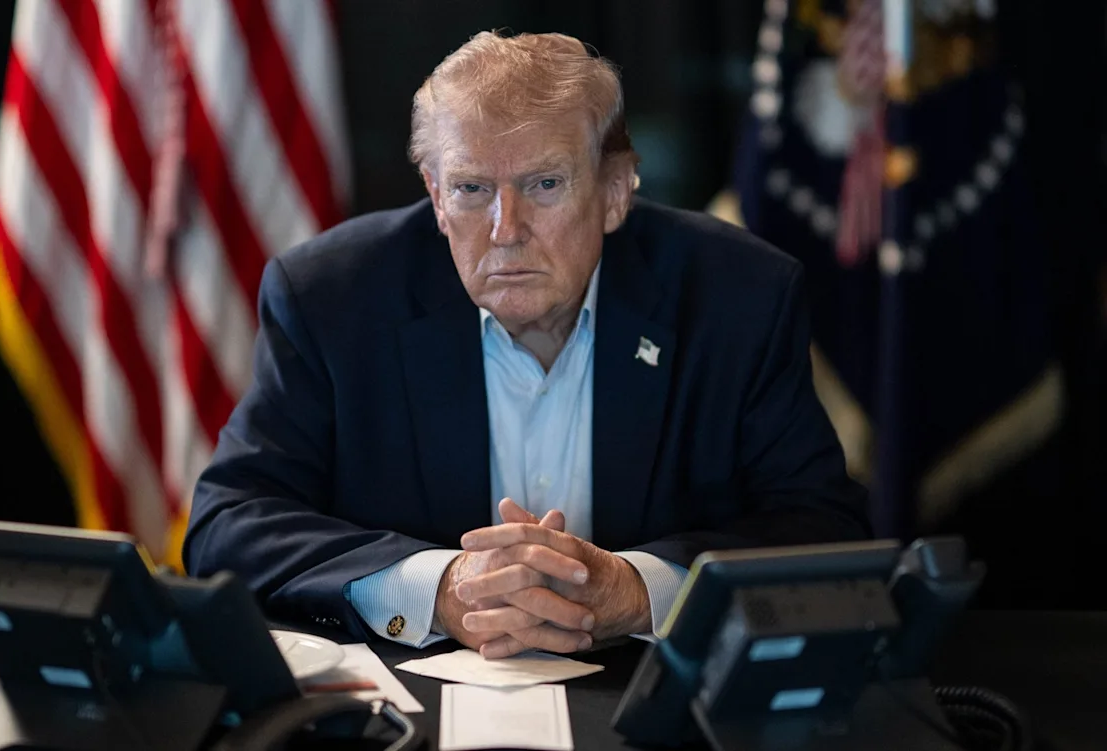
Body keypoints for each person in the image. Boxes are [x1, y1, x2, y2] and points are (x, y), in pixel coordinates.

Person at [184, 31, 869, 659]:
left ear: (615, 190)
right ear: (435, 195)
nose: (505, 228)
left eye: (544, 184)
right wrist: (439, 586)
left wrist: (639, 588)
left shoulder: (739, 296)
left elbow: (824, 529)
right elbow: (228, 523)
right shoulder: (331, 296)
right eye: (472, 189)